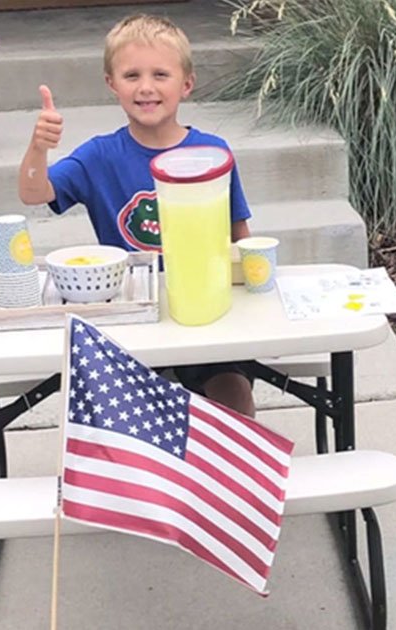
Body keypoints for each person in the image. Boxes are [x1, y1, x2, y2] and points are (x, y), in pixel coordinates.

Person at [17, 14, 256, 417]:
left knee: (234, 395)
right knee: (121, 410)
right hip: (129, 312)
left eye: (160, 74)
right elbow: (33, 192)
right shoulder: (98, 156)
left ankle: (232, 471)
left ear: (186, 83)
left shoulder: (213, 154)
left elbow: (240, 235)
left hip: (203, 306)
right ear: (112, 84)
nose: (146, 87)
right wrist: (39, 147)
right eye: (132, 75)